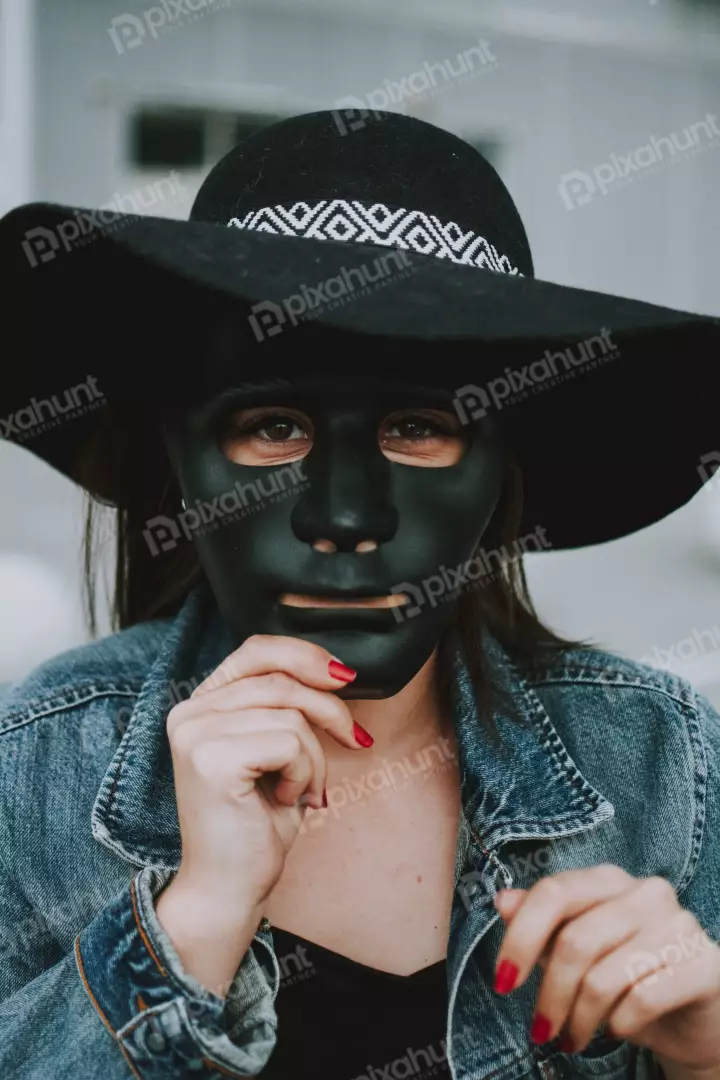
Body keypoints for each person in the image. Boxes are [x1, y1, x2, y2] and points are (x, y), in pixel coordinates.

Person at [1, 109, 719, 1080]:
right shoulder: (32, 775)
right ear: (177, 463)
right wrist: (192, 924)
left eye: (420, 427)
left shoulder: (667, 771)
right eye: (274, 426)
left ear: (504, 469)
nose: (346, 516)